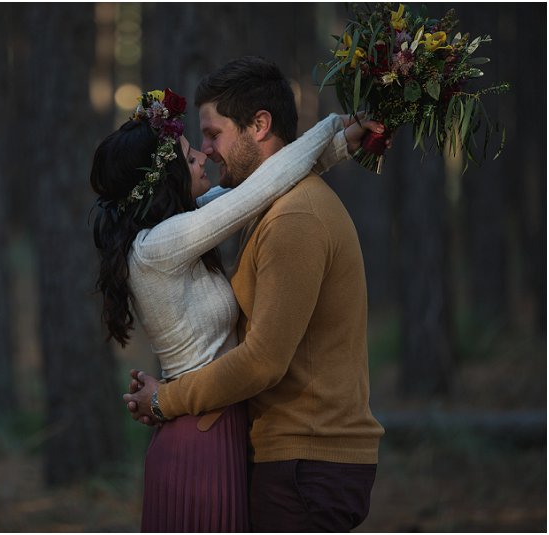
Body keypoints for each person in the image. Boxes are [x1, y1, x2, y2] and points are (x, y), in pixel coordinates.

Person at [92, 73, 383, 531]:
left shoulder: (182, 228)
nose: (204, 153)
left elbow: (267, 182)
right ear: (162, 177)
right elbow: (260, 190)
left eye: (208, 138)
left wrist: (340, 138)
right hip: (203, 430)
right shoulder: (160, 244)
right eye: (193, 152)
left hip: (226, 430)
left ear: (260, 125)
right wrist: (335, 129)